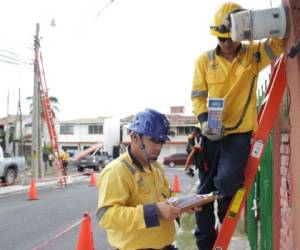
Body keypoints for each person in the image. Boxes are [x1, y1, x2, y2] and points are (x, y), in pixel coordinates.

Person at [190, 2, 284, 249]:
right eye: (221, 39)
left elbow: (279, 43)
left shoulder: (254, 54)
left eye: (230, 38)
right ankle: (206, 242)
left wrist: (254, 26)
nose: (226, 44)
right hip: (211, 132)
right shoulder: (204, 61)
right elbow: (198, 96)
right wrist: (202, 121)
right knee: (205, 190)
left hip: (239, 135)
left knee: (227, 182)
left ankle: (224, 226)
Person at [97, 108, 181, 250]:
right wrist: (155, 212)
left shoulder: (156, 167)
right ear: (134, 137)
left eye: (161, 141)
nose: (159, 147)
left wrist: (184, 203)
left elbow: (167, 196)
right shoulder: (117, 170)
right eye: (153, 140)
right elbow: (106, 216)